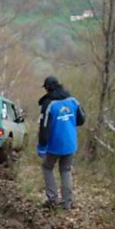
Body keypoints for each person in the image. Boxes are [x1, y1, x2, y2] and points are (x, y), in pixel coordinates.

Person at [37, 76, 86, 210]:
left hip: (55, 144)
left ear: (47, 88)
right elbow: (81, 120)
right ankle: (67, 202)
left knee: (47, 168)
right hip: (70, 144)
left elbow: (44, 127)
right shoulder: (72, 100)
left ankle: (52, 199)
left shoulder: (49, 104)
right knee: (66, 170)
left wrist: (42, 147)